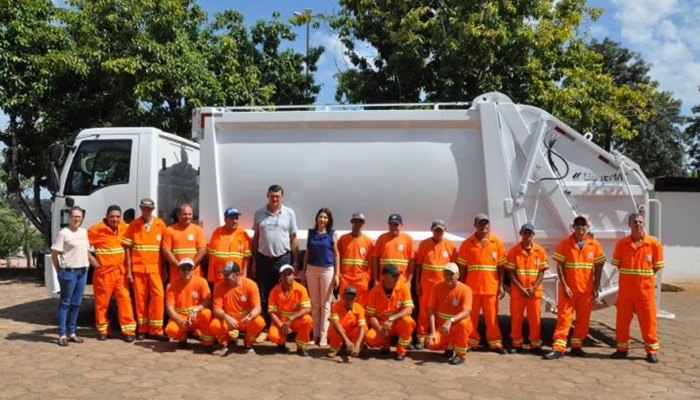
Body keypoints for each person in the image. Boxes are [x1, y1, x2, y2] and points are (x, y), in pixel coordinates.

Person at [543, 215, 605, 360]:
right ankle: (558, 348)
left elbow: (599, 265)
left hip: (586, 290)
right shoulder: (565, 244)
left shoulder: (594, 245)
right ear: (573, 227)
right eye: (577, 226)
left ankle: (577, 346)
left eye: (583, 226)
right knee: (564, 319)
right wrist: (564, 286)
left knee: (583, 320)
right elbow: (560, 266)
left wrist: (596, 286)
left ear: (587, 228)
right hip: (568, 291)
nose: (580, 228)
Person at [610, 213, 664, 364]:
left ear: (644, 224)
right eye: (635, 222)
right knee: (622, 322)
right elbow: (618, 264)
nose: (638, 224)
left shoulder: (653, 244)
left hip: (645, 292)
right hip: (626, 292)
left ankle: (651, 351)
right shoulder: (621, 244)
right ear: (629, 225)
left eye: (640, 222)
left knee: (649, 323)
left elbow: (656, 267)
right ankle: (622, 349)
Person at [455, 213, 508, 354]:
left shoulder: (497, 243)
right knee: (471, 318)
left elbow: (501, 267)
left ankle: (495, 343)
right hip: (471, 288)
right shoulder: (467, 244)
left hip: (491, 287)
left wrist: (501, 285)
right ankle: (471, 341)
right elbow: (462, 268)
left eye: (486, 223)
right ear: (475, 225)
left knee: (492, 318)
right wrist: (462, 286)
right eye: (480, 223)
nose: (483, 226)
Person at [87, 205, 137, 342]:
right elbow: (81, 243)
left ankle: (129, 331)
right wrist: (90, 258)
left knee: (125, 301)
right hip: (103, 273)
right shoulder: (96, 229)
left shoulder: (125, 227)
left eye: (117, 216)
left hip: (120, 272)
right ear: (107, 217)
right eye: (112, 217)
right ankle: (103, 330)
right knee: (102, 304)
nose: (115, 219)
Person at [122, 198, 169, 341]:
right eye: (144, 208)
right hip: (138, 268)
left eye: (149, 209)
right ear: (140, 209)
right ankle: (143, 329)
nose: (146, 211)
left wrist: (165, 269)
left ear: (153, 209)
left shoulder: (160, 225)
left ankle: (156, 330)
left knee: (159, 297)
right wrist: (129, 271)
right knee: (140, 299)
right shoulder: (133, 225)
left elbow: (164, 250)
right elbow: (127, 250)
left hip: (155, 268)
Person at [251, 184, 299, 324]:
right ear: (267, 195)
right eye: (272, 196)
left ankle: (280, 323)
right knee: (263, 293)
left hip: (282, 259)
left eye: (277, 196)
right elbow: (256, 238)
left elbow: (294, 238)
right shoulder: (259, 213)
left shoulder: (289, 213)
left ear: (282, 197)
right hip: (263, 259)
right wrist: (254, 261)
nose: (274, 199)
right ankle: (265, 324)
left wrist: (295, 262)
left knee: (282, 291)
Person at [504, 222, 549, 354]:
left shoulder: (540, 251)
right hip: (518, 291)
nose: (527, 235)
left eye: (529, 233)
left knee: (535, 318)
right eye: (524, 233)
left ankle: (535, 344)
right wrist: (520, 288)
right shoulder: (513, 251)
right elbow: (510, 273)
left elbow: (542, 271)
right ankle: (516, 343)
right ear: (520, 234)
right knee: (516, 318)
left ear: (533, 235)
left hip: (534, 292)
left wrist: (534, 287)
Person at [51, 206, 91, 347]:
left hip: (82, 272)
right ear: (69, 217)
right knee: (65, 303)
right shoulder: (64, 233)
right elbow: (55, 254)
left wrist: (91, 260)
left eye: (79, 217)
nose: (77, 219)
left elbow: (85, 250)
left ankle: (72, 332)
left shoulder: (84, 232)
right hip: (68, 272)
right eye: (74, 216)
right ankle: (62, 334)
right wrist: (59, 271)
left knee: (76, 304)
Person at [415, 219, 457, 349]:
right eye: (436, 230)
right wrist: (417, 282)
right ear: (431, 230)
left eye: (441, 230)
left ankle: (440, 336)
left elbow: (455, 267)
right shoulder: (424, 244)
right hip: (427, 283)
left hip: (444, 285)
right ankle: (421, 338)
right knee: (424, 310)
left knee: (442, 311)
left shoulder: (450, 245)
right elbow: (418, 265)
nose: (438, 232)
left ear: (445, 230)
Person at [302, 207, 339, 347]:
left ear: (328, 220)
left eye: (325, 217)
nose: (322, 219)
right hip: (312, 269)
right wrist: (304, 270)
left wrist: (337, 274)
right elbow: (307, 252)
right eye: (321, 217)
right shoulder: (311, 233)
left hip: (327, 270)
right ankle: (315, 335)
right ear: (317, 218)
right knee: (315, 304)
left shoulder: (332, 234)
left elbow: (337, 255)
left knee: (326, 304)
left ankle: (324, 336)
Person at [210, 261, 265, 353]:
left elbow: (257, 307)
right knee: (214, 325)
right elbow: (216, 309)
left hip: (244, 319)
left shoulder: (250, 285)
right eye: (224, 274)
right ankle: (224, 342)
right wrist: (227, 317)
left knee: (259, 322)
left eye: (227, 275)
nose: (224, 277)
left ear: (237, 274)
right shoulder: (219, 286)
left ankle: (248, 343)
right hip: (228, 320)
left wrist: (250, 316)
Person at [365, 264, 416, 361]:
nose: (397, 277)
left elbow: (409, 309)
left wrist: (392, 318)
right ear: (384, 276)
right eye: (394, 275)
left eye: (398, 275)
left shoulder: (403, 287)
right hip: (382, 324)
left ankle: (401, 351)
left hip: (397, 322)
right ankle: (385, 345)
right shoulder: (375, 291)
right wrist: (379, 328)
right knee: (370, 338)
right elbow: (371, 316)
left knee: (408, 322)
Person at [426, 263, 473, 365]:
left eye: (451, 274)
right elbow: (431, 310)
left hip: (458, 326)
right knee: (431, 344)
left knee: (463, 324)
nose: (448, 277)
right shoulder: (437, 287)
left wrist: (450, 320)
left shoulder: (465, 290)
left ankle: (461, 355)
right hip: (443, 328)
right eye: (446, 274)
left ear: (458, 275)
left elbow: (466, 312)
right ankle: (450, 347)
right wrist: (433, 332)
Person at [164, 258, 215, 352]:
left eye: (189, 269)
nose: (186, 271)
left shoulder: (202, 282)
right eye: (183, 269)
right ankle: (183, 337)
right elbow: (169, 308)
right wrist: (179, 321)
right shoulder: (171, 286)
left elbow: (208, 300)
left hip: (196, 316)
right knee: (170, 330)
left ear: (194, 270)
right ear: (179, 270)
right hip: (181, 317)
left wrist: (195, 310)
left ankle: (207, 343)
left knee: (207, 313)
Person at [267, 265, 313, 356]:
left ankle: (300, 347)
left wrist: (291, 318)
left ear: (294, 276)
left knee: (308, 320)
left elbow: (307, 309)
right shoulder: (274, 291)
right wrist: (280, 325)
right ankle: (281, 344)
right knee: (273, 336)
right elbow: (272, 312)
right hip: (281, 320)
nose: (287, 276)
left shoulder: (301, 289)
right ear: (280, 277)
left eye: (290, 274)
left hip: (295, 320)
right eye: (284, 274)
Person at [162, 203, 207, 283]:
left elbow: (202, 249)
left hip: (194, 272)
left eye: (190, 214)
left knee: (194, 294)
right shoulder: (169, 230)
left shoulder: (198, 230)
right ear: (178, 214)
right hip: (176, 272)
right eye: (185, 214)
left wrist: (192, 264)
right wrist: (179, 266)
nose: (188, 217)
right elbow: (166, 250)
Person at [207, 207, 252, 285]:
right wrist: (211, 276)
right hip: (220, 276)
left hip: (236, 278)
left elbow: (247, 257)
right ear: (225, 219)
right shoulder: (217, 233)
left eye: (236, 218)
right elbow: (211, 256)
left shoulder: (243, 234)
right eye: (232, 218)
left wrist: (244, 275)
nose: (234, 221)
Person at [337, 212, 373, 306]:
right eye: (355, 221)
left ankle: (361, 321)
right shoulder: (343, 239)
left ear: (363, 223)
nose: (357, 223)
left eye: (360, 221)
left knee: (361, 305)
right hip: (346, 278)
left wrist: (367, 277)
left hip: (361, 279)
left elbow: (371, 262)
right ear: (351, 222)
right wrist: (339, 274)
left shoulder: (368, 241)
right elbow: (337, 258)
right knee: (344, 304)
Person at [372, 214, 414, 285]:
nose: (393, 227)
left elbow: (412, 261)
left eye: (396, 225)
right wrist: (375, 279)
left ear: (401, 225)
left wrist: (409, 281)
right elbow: (375, 259)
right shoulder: (381, 238)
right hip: (384, 281)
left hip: (401, 281)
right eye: (391, 224)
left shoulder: (408, 239)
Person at [327, 286, 367, 358]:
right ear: (343, 297)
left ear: (355, 298)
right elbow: (335, 322)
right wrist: (346, 340)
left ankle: (356, 348)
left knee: (364, 328)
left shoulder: (360, 308)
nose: (349, 301)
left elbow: (362, 326)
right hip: (341, 331)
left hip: (352, 332)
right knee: (333, 327)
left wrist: (358, 344)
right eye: (347, 298)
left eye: (352, 299)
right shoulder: (336, 305)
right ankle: (335, 349)